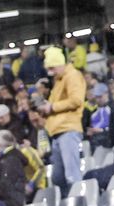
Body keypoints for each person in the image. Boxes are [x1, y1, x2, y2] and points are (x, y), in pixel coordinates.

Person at [41, 45, 87, 196]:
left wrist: (52, 107)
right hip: (57, 132)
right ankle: (68, 205)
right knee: (58, 177)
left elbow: (76, 100)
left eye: (52, 68)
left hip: (68, 129)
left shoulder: (73, 75)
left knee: (72, 175)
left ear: (60, 64)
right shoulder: (59, 80)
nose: (50, 72)